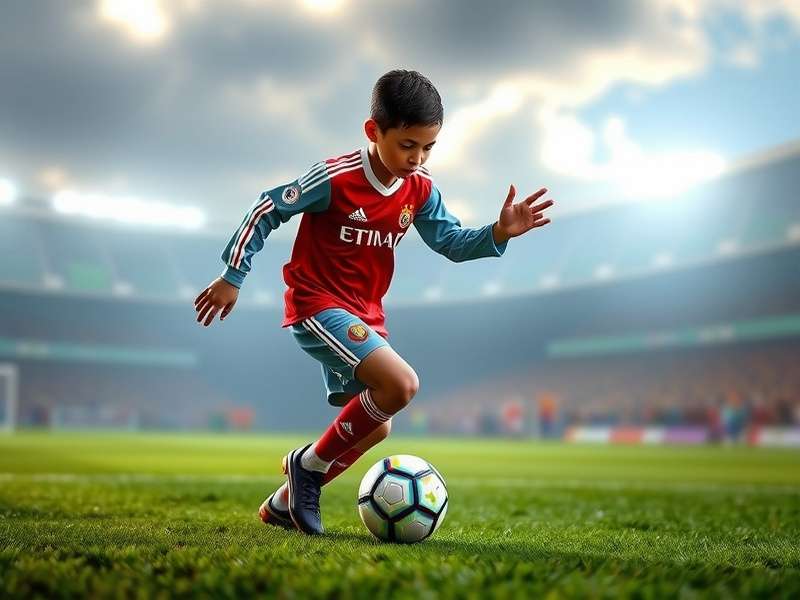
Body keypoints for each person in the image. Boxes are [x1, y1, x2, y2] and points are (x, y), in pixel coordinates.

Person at [193, 69, 555, 535]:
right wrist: (232, 275)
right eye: (408, 145)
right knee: (401, 385)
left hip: (366, 314)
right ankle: (306, 467)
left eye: (428, 148)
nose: (418, 158)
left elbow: (451, 242)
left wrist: (498, 232)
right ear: (373, 131)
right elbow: (268, 207)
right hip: (317, 303)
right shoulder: (336, 178)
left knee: (376, 426)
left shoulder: (420, 189)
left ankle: (285, 503)